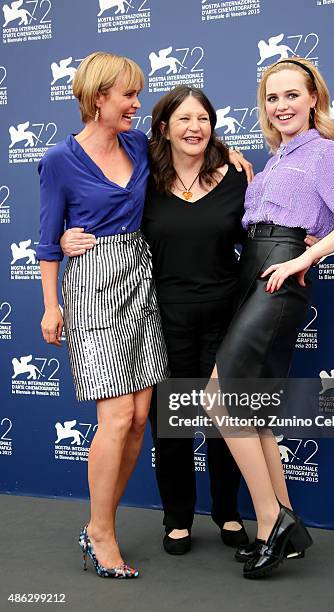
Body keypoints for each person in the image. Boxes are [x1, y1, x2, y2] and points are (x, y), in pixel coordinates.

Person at [61, 86, 256, 555]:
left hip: (226, 313)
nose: (195, 128)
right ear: (164, 129)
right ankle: (177, 518)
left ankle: (228, 513)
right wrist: (69, 237)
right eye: (184, 120)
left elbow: (262, 231)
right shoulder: (143, 175)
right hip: (161, 314)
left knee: (225, 419)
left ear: (214, 126)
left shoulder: (237, 175)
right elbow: (100, 209)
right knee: (171, 422)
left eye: (204, 120)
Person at [213, 57, 334, 579]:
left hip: (281, 277)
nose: (281, 105)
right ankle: (279, 530)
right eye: (272, 97)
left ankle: (272, 518)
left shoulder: (324, 153)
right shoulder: (277, 158)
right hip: (253, 274)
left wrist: (309, 255)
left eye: (291, 95)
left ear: (314, 99)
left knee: (221, 396)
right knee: (253, 409)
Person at [38, 51, 169, 578]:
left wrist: (236, 163)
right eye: (128, 95)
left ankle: (99, 524)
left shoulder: (138, 143)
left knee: (139, 419)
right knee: (114, 417)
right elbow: (49, 240)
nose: (137, 104)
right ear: (98, 99)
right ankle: (102, 534)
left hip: (141, 279)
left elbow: (190, 154)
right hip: (92, 284)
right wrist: (52, 307)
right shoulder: (57, 160)